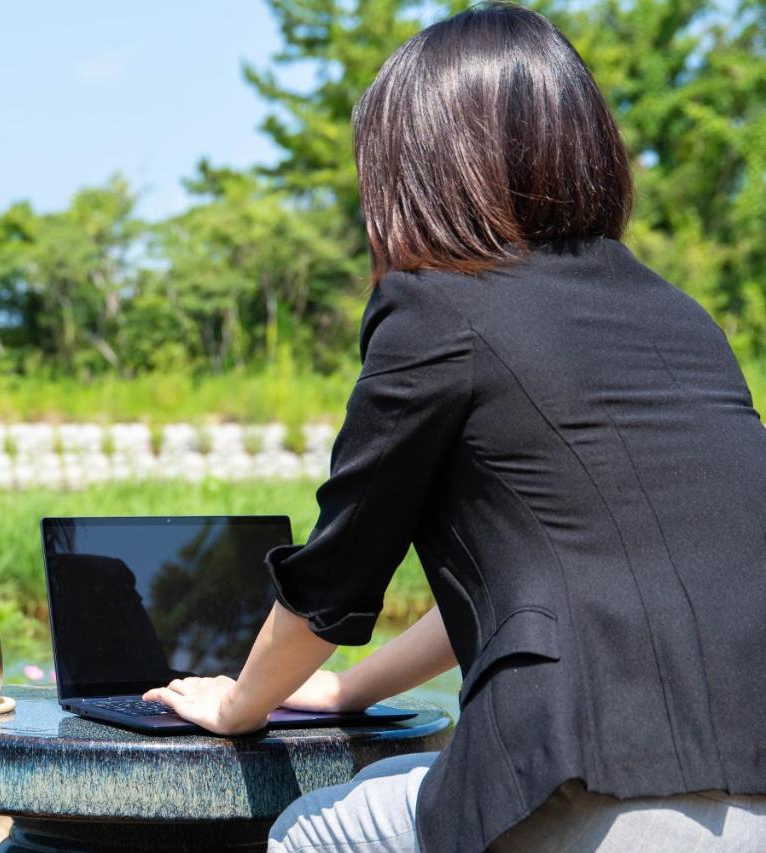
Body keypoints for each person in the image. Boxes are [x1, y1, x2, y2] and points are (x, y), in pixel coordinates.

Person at [142, 3, 766, 851]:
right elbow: (544, 590)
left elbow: (335, 574)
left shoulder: (435, 309)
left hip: (591, 786)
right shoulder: (683, 319)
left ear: (417, 167)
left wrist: (240, 701)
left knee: (308, 830)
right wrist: (342, 690)